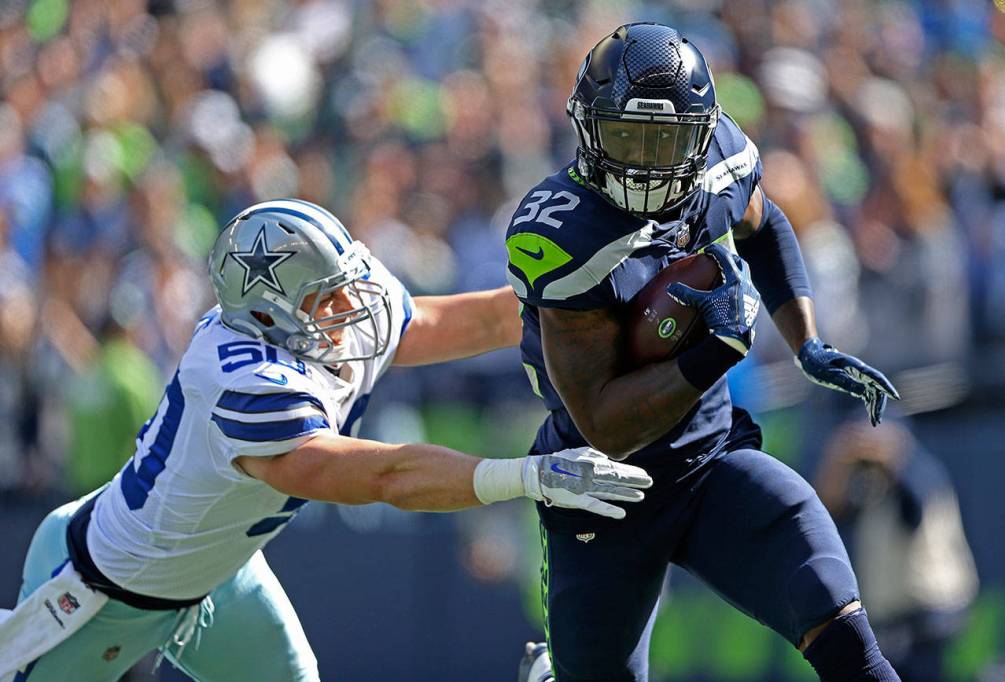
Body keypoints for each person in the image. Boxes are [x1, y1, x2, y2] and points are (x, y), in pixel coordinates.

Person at [0, 198, 652, 682]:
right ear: (268, 315)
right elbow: (384, 477)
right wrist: (528, 476)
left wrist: (594, 300)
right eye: (326, 300)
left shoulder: (327, 316)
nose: (350, 309)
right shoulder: (240, 378)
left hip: (218, 570)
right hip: (101, 586)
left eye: (343, 288)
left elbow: (465, 322)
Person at [507, 24, 900, 682]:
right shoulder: (565, 232)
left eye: (665, 140)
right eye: (627, 137)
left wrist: (806, 342)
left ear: (700, 133)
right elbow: (605, 424)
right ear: (589, 128)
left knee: (845, 635)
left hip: (709, 458)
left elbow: (764, 223)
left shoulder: (720, 162)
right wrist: (718, 349)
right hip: (603, 487)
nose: (645, 163)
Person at [816, 418, 978, 682]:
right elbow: (830, 507)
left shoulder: (920, 470)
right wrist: (838, 458)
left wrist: (891, 458)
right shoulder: (872, 482)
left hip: (931, 609)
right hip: (893, 615)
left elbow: (913, 513)